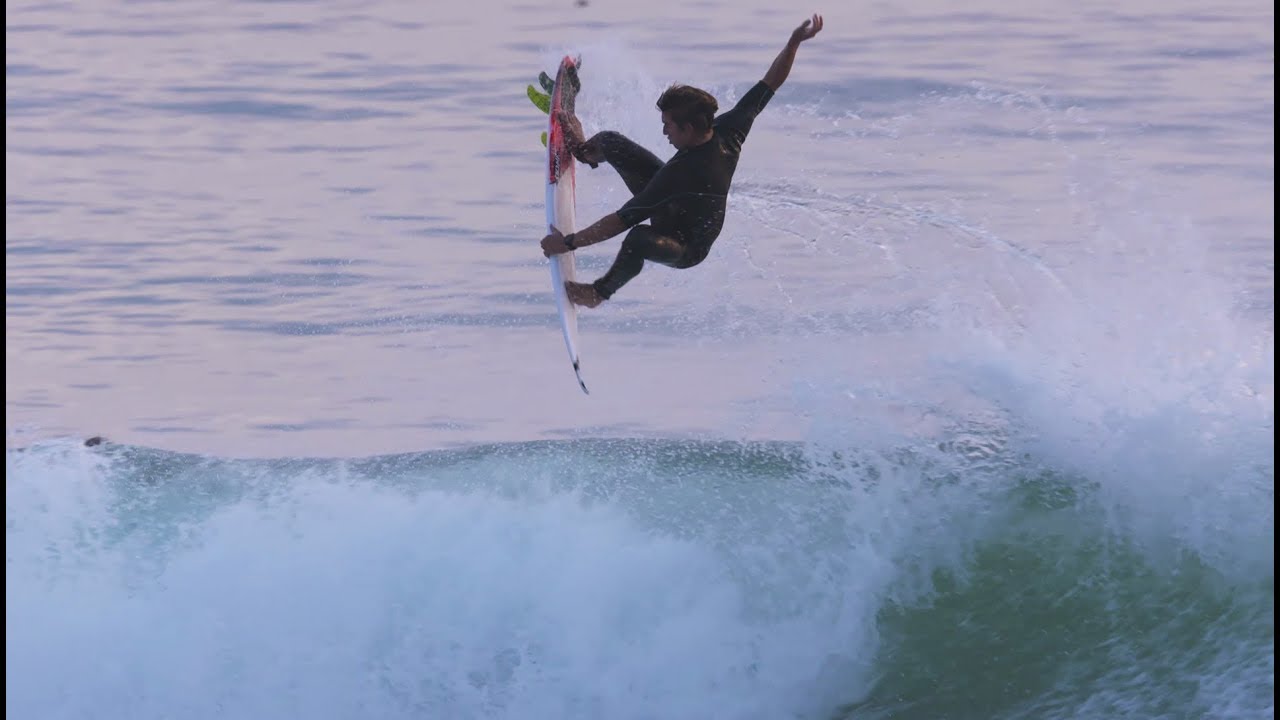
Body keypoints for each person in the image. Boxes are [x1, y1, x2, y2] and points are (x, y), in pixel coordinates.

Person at [540, 14, 825, 308]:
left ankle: (597, 294)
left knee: (638, 238)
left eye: (668, 125)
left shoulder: (682, 174)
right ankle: (583, 151)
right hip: (675, 204)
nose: (664, 131)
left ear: (688, 129)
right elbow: (770, 83)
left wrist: (568, 242)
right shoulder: (730, 128)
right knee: (611, 141)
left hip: (685, 245)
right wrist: (794, 42)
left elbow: (621, 220)